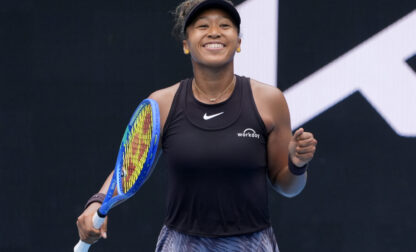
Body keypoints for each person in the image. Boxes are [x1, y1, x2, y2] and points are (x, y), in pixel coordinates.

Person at [76, 0, 318, 251]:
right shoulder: (162, 103)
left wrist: (297, 165)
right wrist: (97, 201)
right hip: (181, 244)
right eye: (202, 26)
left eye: (225, 25)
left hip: (252, 244)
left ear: (239, 43)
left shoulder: (269, 100)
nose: (214, 31)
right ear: (185, 44)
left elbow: (288, 187)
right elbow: (128, 167)